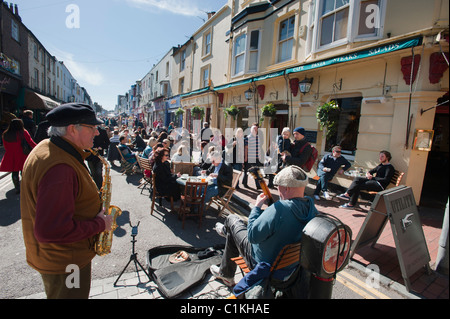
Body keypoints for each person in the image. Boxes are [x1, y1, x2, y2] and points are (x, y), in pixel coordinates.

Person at [20, 103, 113, 299]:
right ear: (72, 129)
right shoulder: (60, 167)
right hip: (67, 263)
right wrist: (100, 224)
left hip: (61, 259)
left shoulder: (49, 147)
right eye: (92, 127)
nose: (97, 132)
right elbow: (51, 231)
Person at [210, 165, 318, 287]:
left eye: (278, 187)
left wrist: (256, 207)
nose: (278, 191)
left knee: (232, 219)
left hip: (262, 263)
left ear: (287, 188)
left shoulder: (279, 209)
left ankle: (226, 270)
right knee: (233, 232)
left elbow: (252, 237)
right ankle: (227, 238)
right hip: (290, 264)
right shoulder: (311, 207)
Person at [0, 119, 37, 193]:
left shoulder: (6, 134)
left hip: (11, 155)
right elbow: (30, 142)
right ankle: (25, 186)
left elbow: (5, 146)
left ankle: (17, 188)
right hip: (22, 154)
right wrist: (38, 147)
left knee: (14, 172)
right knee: (24, 171)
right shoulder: (23, 132)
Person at [242, 124, 264, 189]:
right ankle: (244, 183)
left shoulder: (258, 138)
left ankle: (258, 185)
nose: (255, 130)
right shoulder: (248, 138)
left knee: (256, 171)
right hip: (249, 158)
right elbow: (246, 148)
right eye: (254, 129)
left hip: (256, 158)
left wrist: (260, 156)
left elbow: (259, 148)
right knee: (246, 171)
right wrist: (245, 157)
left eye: (256, 129)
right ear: (251, 130)